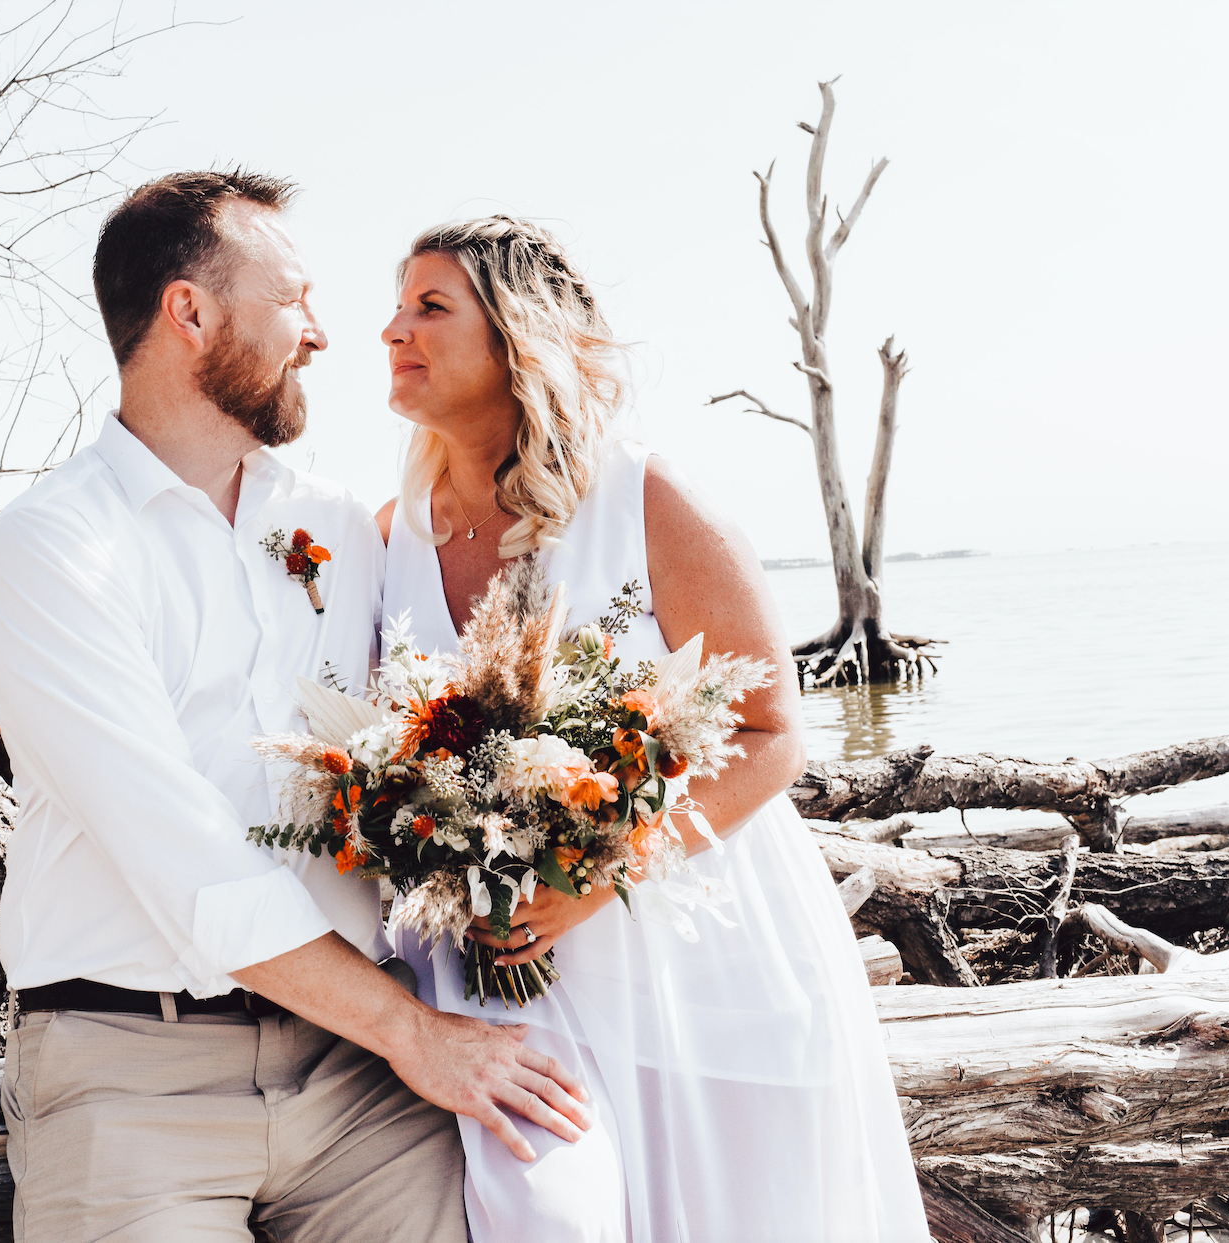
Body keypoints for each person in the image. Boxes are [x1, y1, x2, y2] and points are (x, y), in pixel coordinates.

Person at [0, 173, 592, 1243]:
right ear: (192, 313)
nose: (322, 333)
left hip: (362, 1089)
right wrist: (417, 1034)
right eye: (294, 299)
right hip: (133, 1074)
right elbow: (186, 860)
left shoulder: (343, 529)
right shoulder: (57, 546)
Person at [376, 215, 931, 1242]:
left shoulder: (645, 498)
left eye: (429, 307)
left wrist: (599, 870)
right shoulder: (389, 538)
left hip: (698, 956)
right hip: (506, 980)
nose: (392, 329)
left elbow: (772, 730)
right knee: (550, 1213)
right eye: (400, 304)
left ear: (517, 339)